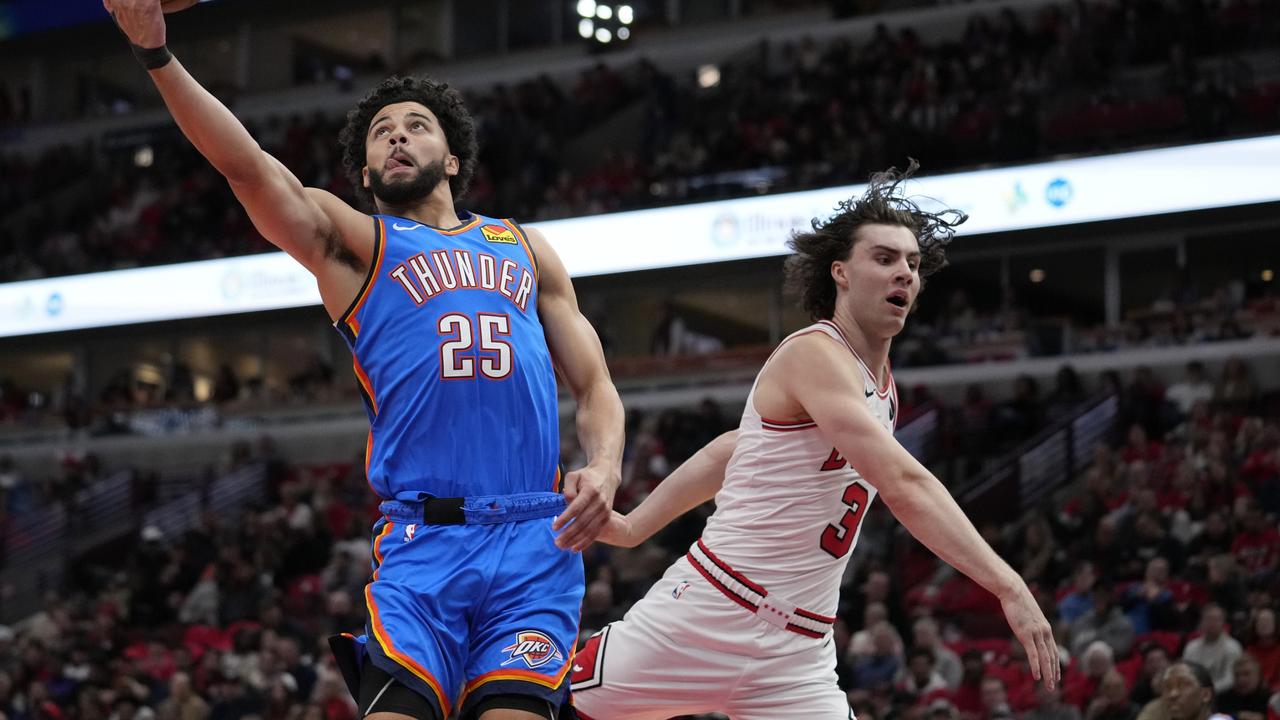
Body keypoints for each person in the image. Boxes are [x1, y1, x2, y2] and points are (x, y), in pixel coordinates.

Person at [106, 3, 625, 719]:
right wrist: (157, 55)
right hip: (425, 546)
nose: (397, 137)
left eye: (415, 126)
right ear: (367, 173)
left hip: (536, 543)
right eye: (382, 133)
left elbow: (595, 384)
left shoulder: (525, 248)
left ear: (451, 158)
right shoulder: (357, 249)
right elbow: (247, 168)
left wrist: (604, 465)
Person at [570, 166, 1058, 719]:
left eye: (914, 264)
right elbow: (902, 484)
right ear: (840, 273)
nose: (904, 273)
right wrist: (1008, 584)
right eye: (885, 258)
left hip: (797, 654)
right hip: (708, 611)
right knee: (542, 708)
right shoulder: (815, 353)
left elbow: (735, 447)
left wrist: (637, 527)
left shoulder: (883, 388)